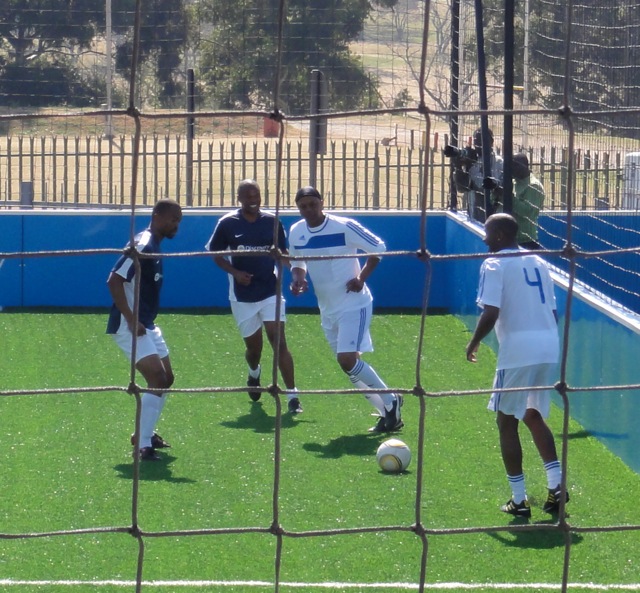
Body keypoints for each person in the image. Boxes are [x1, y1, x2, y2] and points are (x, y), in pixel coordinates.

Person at [465, 213, 568, 518]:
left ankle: (519, 500)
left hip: (519, 350)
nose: (484, 238)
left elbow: (491, 311)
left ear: (499, 235)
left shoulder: (494, 264)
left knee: (506, 421)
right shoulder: (538, 261)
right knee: (533, 414)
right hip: (548, 344)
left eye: (487, 232)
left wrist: (474, 342)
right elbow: (553, 311)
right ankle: (556, 487)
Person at [288, 186, 402, 433]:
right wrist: (298, 279)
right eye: (303, 206)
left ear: (322, 203)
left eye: (313, 204)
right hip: (327, 308)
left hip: (354, 304)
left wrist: (361, 278)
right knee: (348, 365)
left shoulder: (344, 226)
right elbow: (297, 262)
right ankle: (387, 414)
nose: (309, 210)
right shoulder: (296, 232)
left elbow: (379, 248)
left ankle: (392, 399)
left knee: (347, 359)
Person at [205, 179, 302, 414]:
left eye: (256, 195)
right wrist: (236, 273)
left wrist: (296, 274)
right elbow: (215, 254)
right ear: (238, 198)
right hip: (242, 297)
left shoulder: (272, 221)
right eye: (247, 196)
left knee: (279, 342)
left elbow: (282, 253)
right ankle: (254, 372)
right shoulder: (227, 223)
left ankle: (293, 396)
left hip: (270, 291)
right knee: (254, 349)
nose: (253, 200)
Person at [107, 199, 183, 461]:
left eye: (179, 221)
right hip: (130, 325)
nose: (176, 225)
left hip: (147, 324)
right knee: (157, 378)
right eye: (173, 219)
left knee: (167, 378)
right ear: (157, 215)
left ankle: (145, 434)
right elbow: (114, 280)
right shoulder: (143, 244)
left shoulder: (154, 244)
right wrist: (131, 318)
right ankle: (142, 444)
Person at [462, 128, 504, 223]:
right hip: (473, 212)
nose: (479, 144)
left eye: (483, 140)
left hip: (493, 215)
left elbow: (485, 185)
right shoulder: (472, 159)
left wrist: (471, 167)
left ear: (492, 142)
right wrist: (460, 165)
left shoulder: (499, 162)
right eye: (476, 141)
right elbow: (462, 187)